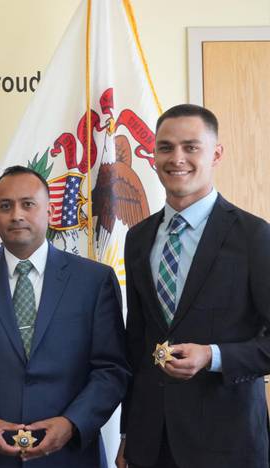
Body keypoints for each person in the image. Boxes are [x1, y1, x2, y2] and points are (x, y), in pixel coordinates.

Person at [0, 165, 129, 467]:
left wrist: (71, 424)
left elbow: (111, 369)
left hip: (73, 456)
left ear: (49, 211)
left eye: (28, 204)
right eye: (6, 206)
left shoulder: (93, 281)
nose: (17, 215)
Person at [115, 104, 270, 468]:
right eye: (165, 147)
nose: (176, 158)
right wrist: (127, 433)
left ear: (216, 154)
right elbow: (136, 344)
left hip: (228, 444)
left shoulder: (254, 236)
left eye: (191, 147)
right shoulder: (138, 237)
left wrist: (213, 356)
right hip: (151, 443)